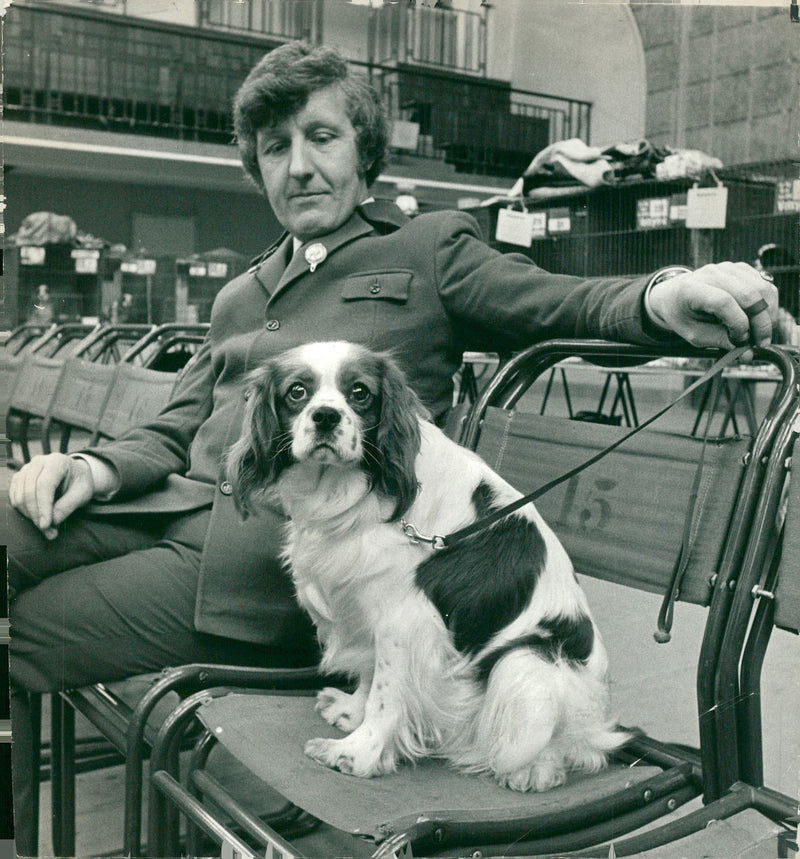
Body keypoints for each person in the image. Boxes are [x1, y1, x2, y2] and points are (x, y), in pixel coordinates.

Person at [7, 41, 778, 854]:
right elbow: (171, 427)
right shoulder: (241, 291)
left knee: (30, 626)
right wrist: (88, 466)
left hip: (273, 577)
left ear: (366, 150)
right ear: (257, 168)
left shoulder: (429, 248)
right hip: (175, 507)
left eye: (321, 137)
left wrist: (661, 294)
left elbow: (555, 301)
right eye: (276, 149)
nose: (299, 167)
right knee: (7, 526)